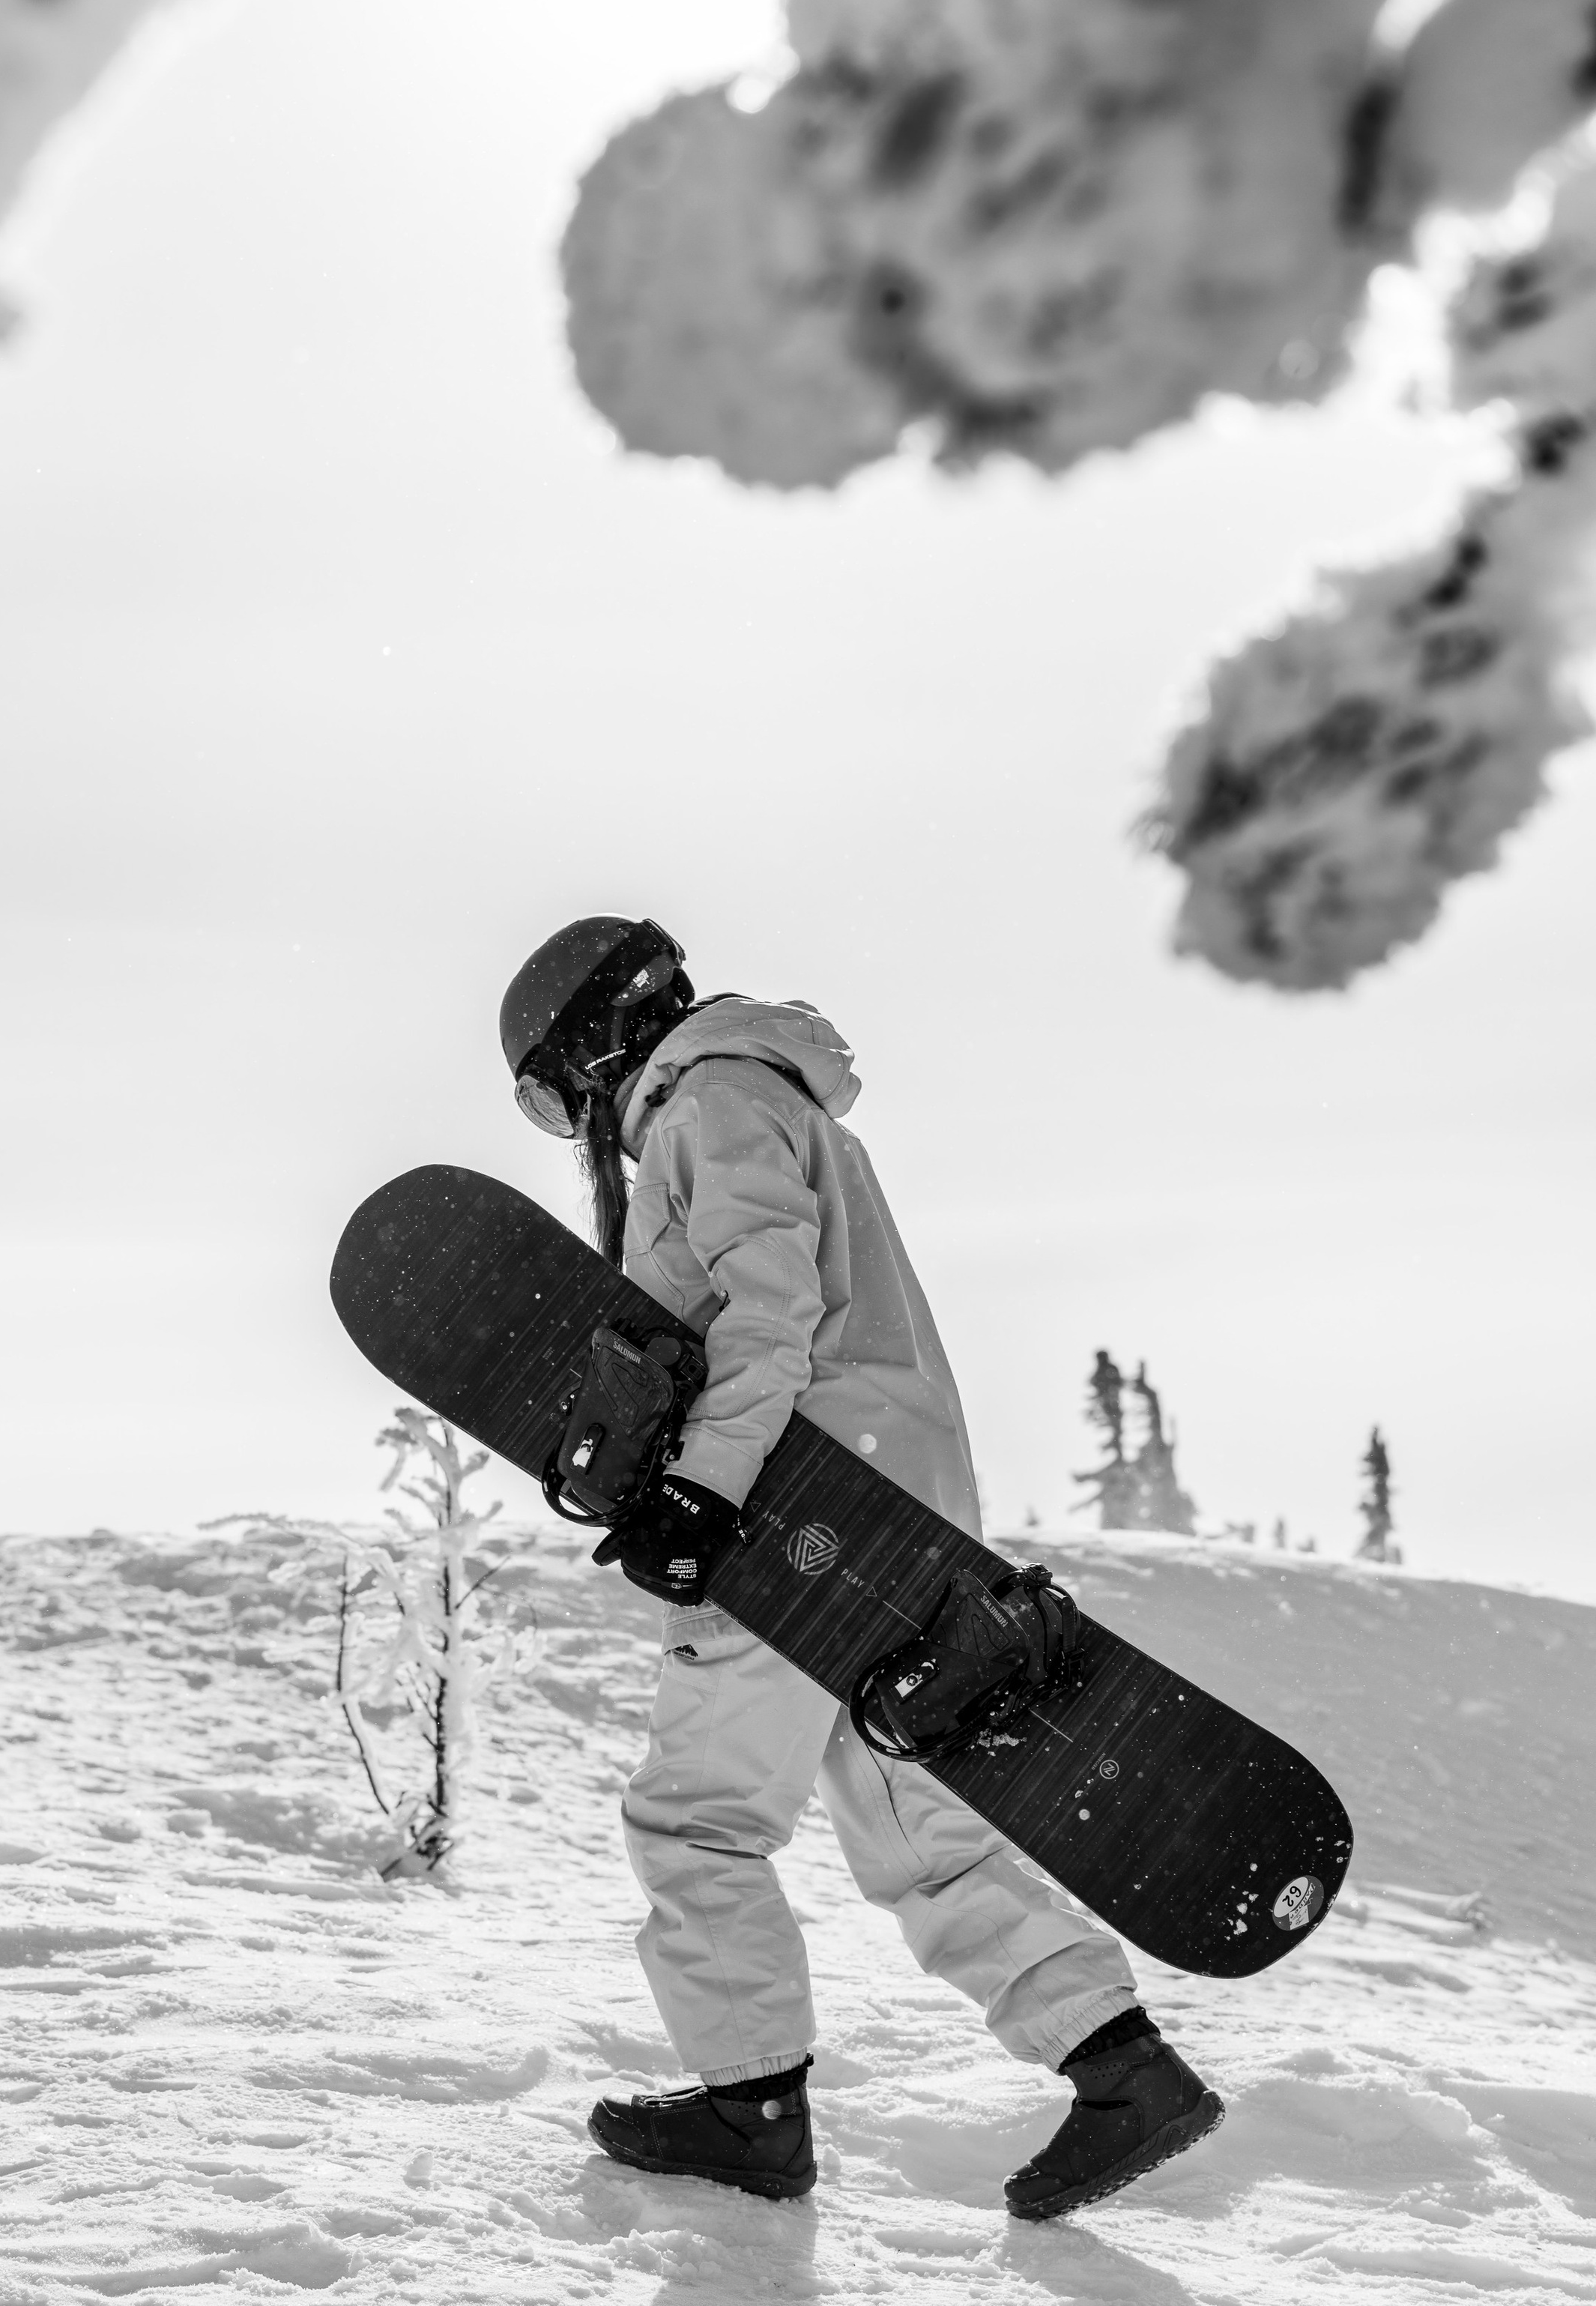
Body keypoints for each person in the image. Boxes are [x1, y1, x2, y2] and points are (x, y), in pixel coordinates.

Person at [500, 915, 1224, 2221]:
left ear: (600, 1034)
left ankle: (750, 2106)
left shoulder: (706, 1102)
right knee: (916, 1827)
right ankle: (1122, 2073)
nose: (574, 1126)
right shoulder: (767, 1097)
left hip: (798, 1511)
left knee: (696, 1817)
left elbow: (767, 1318)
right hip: (889, 1493)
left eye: (556, 1094)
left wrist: (695, 1494)